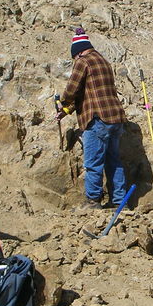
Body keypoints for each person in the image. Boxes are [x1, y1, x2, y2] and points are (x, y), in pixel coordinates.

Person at [56, 27, 128, 209]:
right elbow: (89, 93)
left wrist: (63, 102)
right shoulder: (103, 61)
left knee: (93, 163)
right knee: (114, 161)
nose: (74, 61)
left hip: (98, 119)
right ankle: (119, 201)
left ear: (78, 52)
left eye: (74, 57)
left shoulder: (83, 61)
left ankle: (93, 201)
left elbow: (73, 89)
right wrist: (67, 110)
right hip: (115, 118)